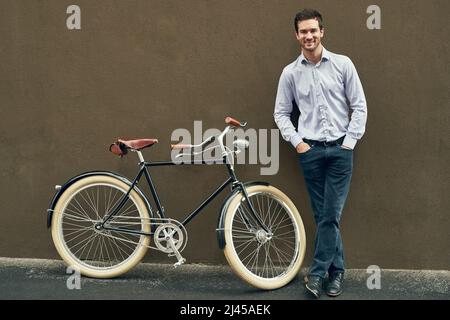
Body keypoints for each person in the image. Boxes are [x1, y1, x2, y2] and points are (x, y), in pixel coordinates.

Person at [274, 9, 367, 298]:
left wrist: (349, 142)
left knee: (330, 215)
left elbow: (359, 106)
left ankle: (317, 275)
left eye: (313, 30)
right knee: (323, 215)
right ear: (297, 35)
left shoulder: (343, 64)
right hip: (310, 152)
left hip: (340, 151)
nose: (309, 36)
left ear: (322, 31)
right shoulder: (290, 73)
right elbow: (281, 113)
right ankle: (337, 272)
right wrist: (299, 143)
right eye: (303, 31)